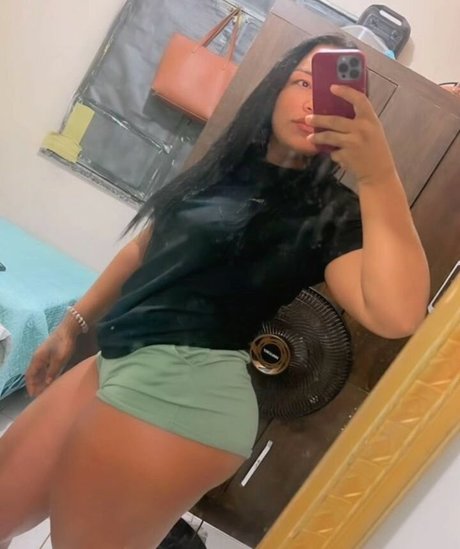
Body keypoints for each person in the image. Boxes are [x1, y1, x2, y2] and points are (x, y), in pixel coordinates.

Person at [0, 34, 430, 548]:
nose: (313, 102)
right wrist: (71, 326)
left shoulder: (329, 212)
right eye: (302, 83)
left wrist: (378, 174)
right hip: (115, 359)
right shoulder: (223, 169)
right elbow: (144, 248)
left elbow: (398, 315)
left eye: (332, 93)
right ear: (273, 90)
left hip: (187, 389)